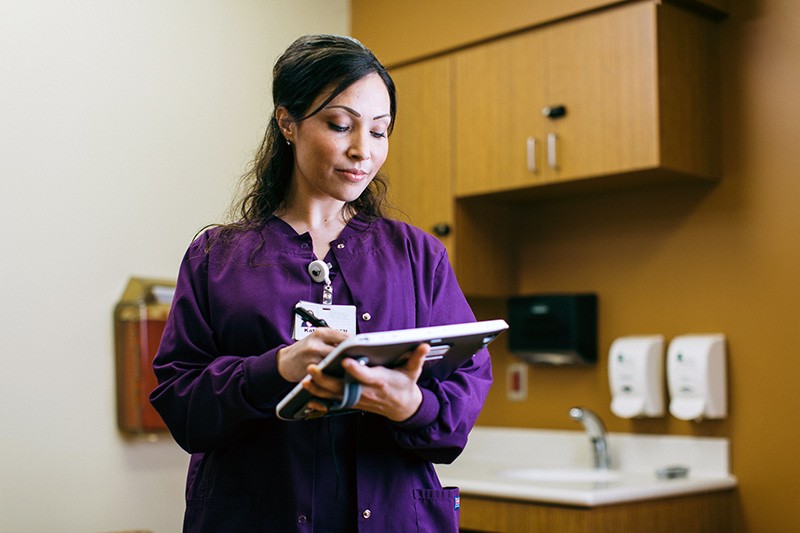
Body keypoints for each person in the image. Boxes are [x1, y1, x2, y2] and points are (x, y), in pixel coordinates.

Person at [150, 34, 493, 532]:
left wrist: (412, 405)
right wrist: (276, 368)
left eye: (379, 132)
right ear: (288, 123)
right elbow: (183, 405)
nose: (363, 151)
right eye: (340, 125)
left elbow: (464, 388)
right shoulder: (216, 257)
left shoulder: (418, 256)